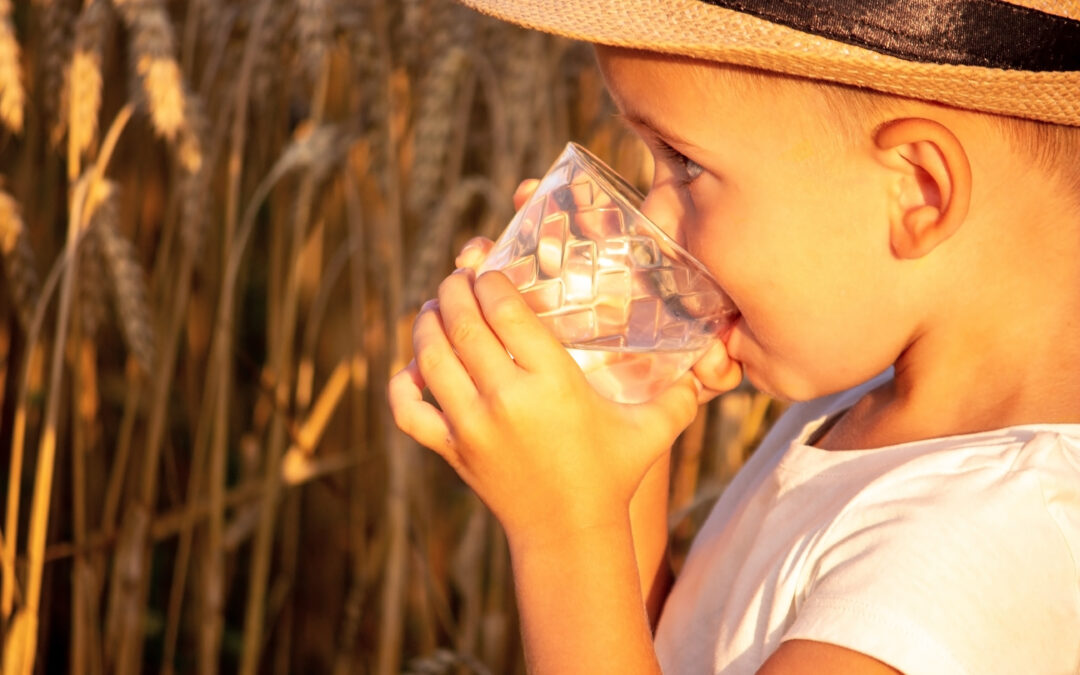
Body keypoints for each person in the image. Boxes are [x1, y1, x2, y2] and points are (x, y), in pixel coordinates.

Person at [388, 1, 1080, 673]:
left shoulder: (979, 556)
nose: (654, 216)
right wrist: (616, 426)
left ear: (918, 191)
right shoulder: (868, 414)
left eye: (685, 164)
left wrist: (564, 530)